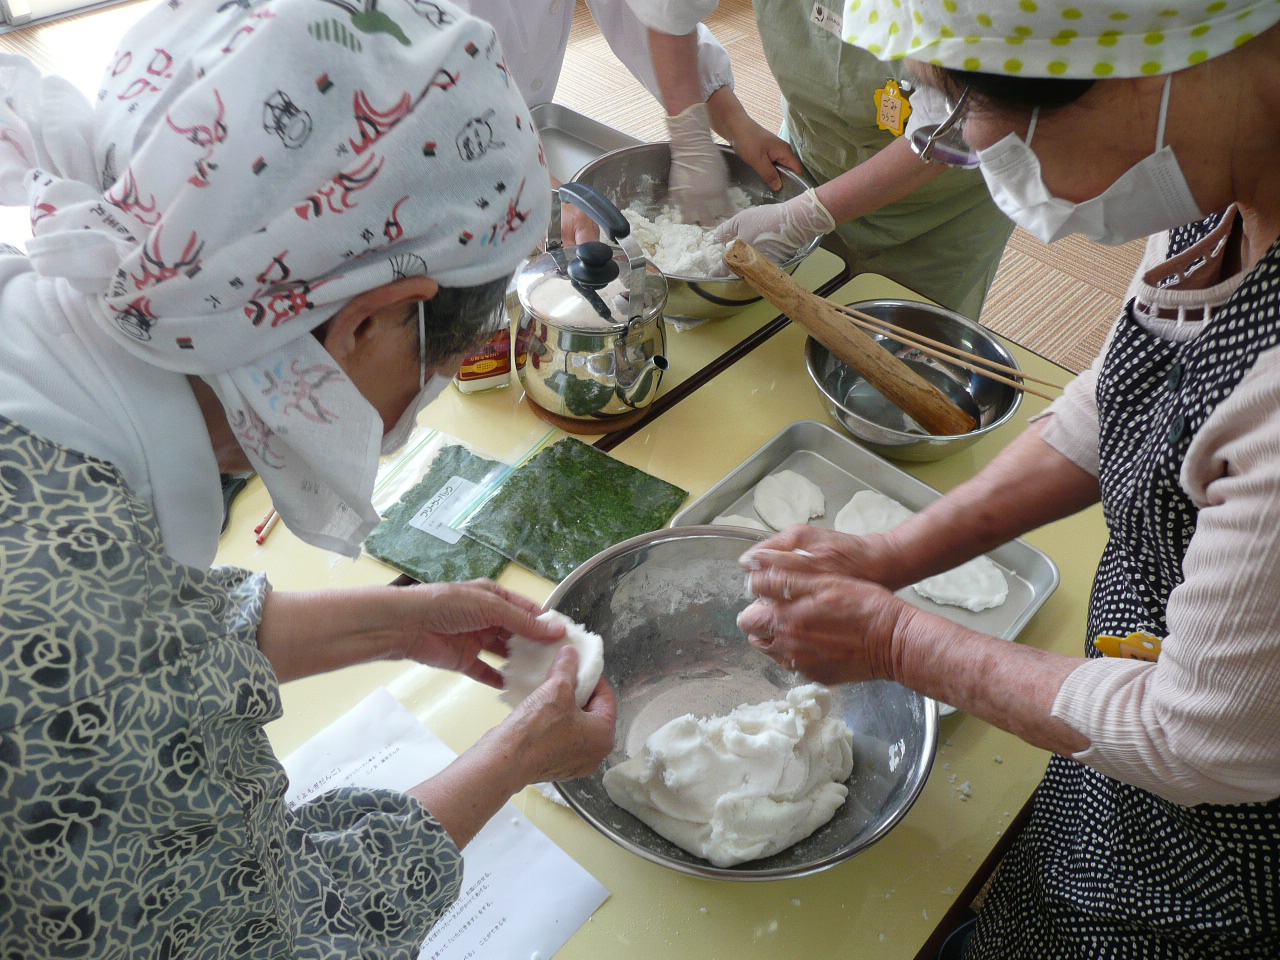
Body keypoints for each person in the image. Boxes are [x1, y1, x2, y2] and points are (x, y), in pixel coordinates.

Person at [0, 1, 616, 956]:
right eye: (438, 368)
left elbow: (160, 633)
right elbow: (265, 940)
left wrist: (399, 622)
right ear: (367, 323)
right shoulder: (80, 638)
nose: (423, 399)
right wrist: (521, 756)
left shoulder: (52, 348)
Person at [737, 2, 1280, 957]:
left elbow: (1202, 740)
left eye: (962, 111)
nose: (960, 147)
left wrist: (896, 638)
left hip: (1228, 861)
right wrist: (890, 554)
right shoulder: (1227, 171)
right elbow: (1113, 399)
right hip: (1131, 702)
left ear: (1143, 68)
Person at [625, 0, 1015, 319]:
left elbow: (963, 118)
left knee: (906, 347)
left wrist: (801, 218)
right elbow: (667, 11)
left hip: (938, 208)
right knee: (787, 329)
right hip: (809, 159)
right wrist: (699, 134)